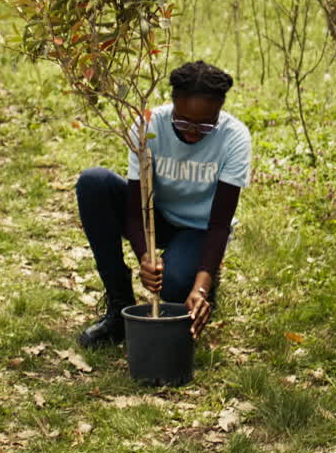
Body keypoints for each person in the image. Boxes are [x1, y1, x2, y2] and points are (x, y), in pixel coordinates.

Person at [75, 62, 253, 348]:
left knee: (173, 284)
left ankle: (203, 279)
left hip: (199, 230)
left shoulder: (235, 139)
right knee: (93, 182)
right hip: (155, 218)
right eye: (182, 122)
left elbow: (219, 225)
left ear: (220, 110)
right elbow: (134, 213)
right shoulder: (149, 125)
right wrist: (146, 257)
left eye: (205, 125)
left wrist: (200, 287)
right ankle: (119, 309)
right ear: (172, 106)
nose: (192, 133)